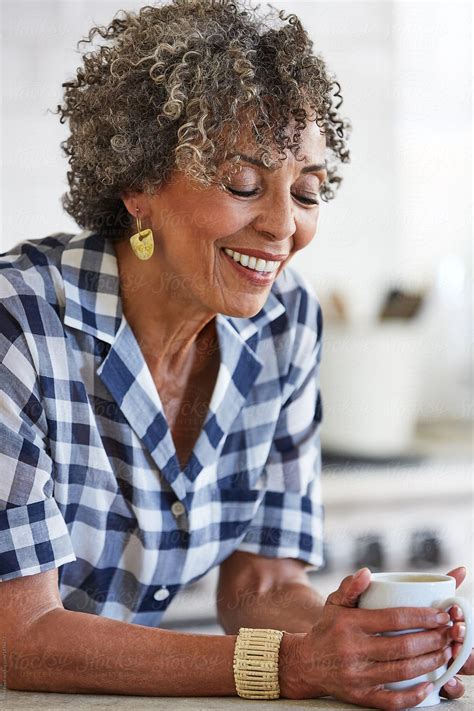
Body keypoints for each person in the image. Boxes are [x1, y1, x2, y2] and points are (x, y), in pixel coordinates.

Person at [0, 0, 471, 705]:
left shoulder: (286, 324)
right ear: (139, 184)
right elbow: (21, 635)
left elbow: (262, 584)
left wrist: (369, 639)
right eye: (243, 183)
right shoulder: (21, 326)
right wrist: (289, 666)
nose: (284, 225)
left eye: (306, 191)